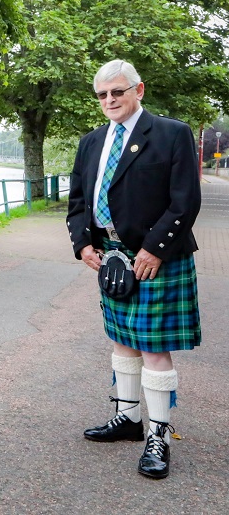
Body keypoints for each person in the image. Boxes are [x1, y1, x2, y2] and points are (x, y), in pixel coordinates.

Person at [67, 59, 201, 480]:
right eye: (103, 95)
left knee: (154, 349)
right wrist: (83, 243)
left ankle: (158, 434)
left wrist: (154, 250)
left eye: (117, 92)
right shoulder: (91, 142)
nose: (109, 100)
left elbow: (185, 202)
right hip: (110, 255)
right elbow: (76, 201)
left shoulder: (170, 133)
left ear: (138, 90)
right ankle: (128, 419)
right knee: (122, 341)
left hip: (156, 257)